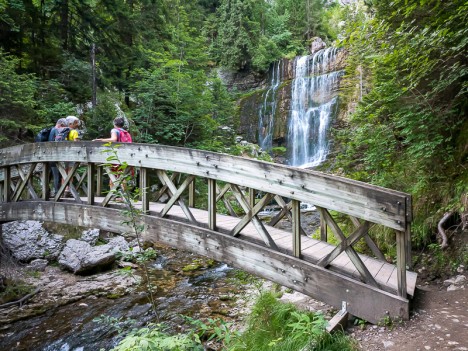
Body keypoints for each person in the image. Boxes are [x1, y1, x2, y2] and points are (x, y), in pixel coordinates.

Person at [48, 118, 68, 196]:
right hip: (54, 156)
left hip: (48, 156)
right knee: (56, 175)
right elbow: (57, 142)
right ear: (61, 124)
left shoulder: (51, 130)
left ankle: (49, 193)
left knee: (50, 176)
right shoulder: (56, 130)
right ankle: (57, 193)